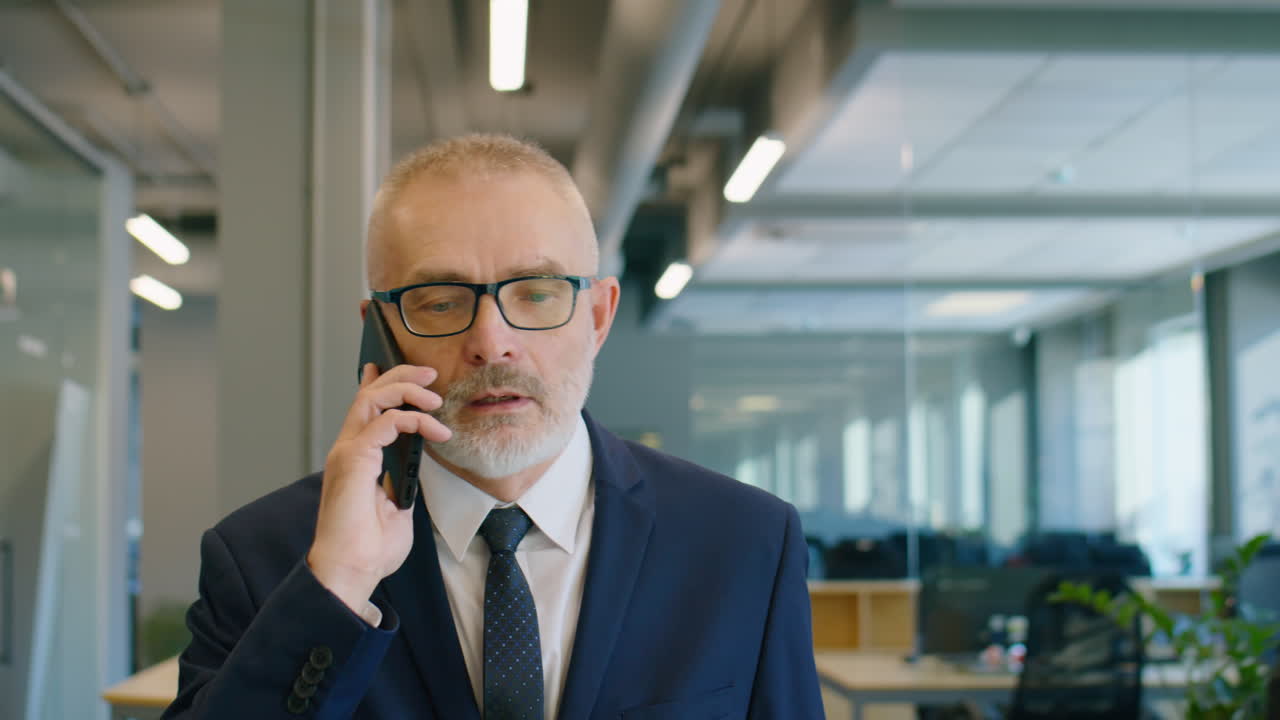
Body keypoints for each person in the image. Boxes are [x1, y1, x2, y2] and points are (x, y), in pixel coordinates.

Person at [162, 134, 823, 719]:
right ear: (380, 331)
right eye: (441, 302)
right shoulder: (268, 559)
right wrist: (338, 582)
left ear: (597, 317)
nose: (491, 341)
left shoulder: (743, 543)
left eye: (535, 292)